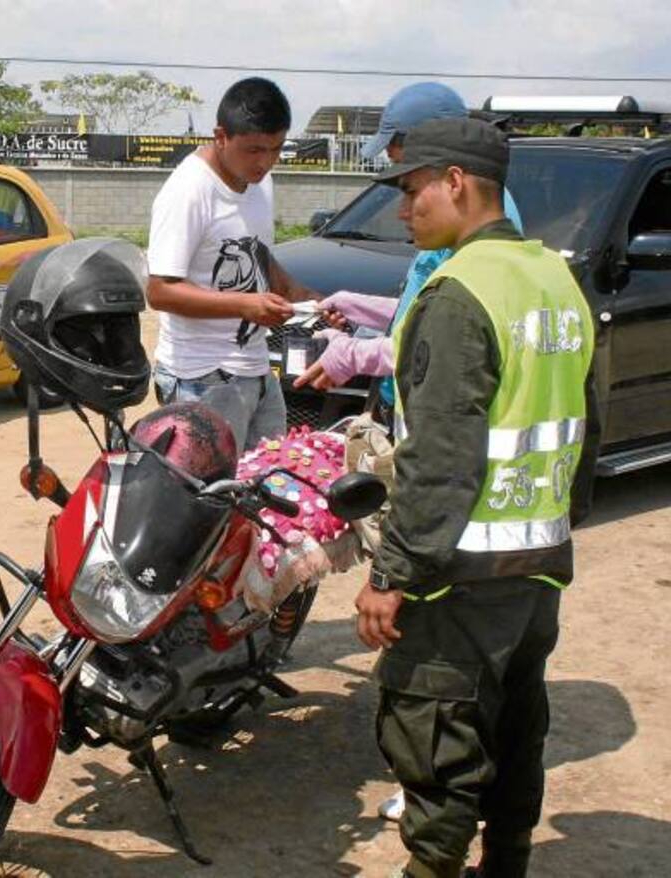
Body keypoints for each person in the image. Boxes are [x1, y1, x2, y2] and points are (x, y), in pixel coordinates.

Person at [353, 117, 599, 878]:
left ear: (455, 182)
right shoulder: (555, 278)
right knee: (515, 733)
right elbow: (584, 419)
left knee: (438, 746)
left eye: (411, 188)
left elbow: (441, 460)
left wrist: (392, 574)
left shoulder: (460, 294)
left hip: (460, 574)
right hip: (538, 564)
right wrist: (561, 520)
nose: (403, 208)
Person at [294, 83, 522, 407]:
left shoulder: (478, 231)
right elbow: (424, 313)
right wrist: (360, 307)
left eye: (410, 190)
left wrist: (355, 355)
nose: (403, 211)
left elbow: (442, 338)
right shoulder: (456, 220)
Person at [147, 76, 317, 451]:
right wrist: (245, 304)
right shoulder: (189, 191)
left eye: (275, 149)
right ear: (220, 136)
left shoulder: (258, 182)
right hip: (200, 378)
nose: (265, 162)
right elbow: (159, 291)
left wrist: (301, 295)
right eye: (254, 150)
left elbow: (256, 250)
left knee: (270, 484)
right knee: (209, 501)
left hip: (255, 370)